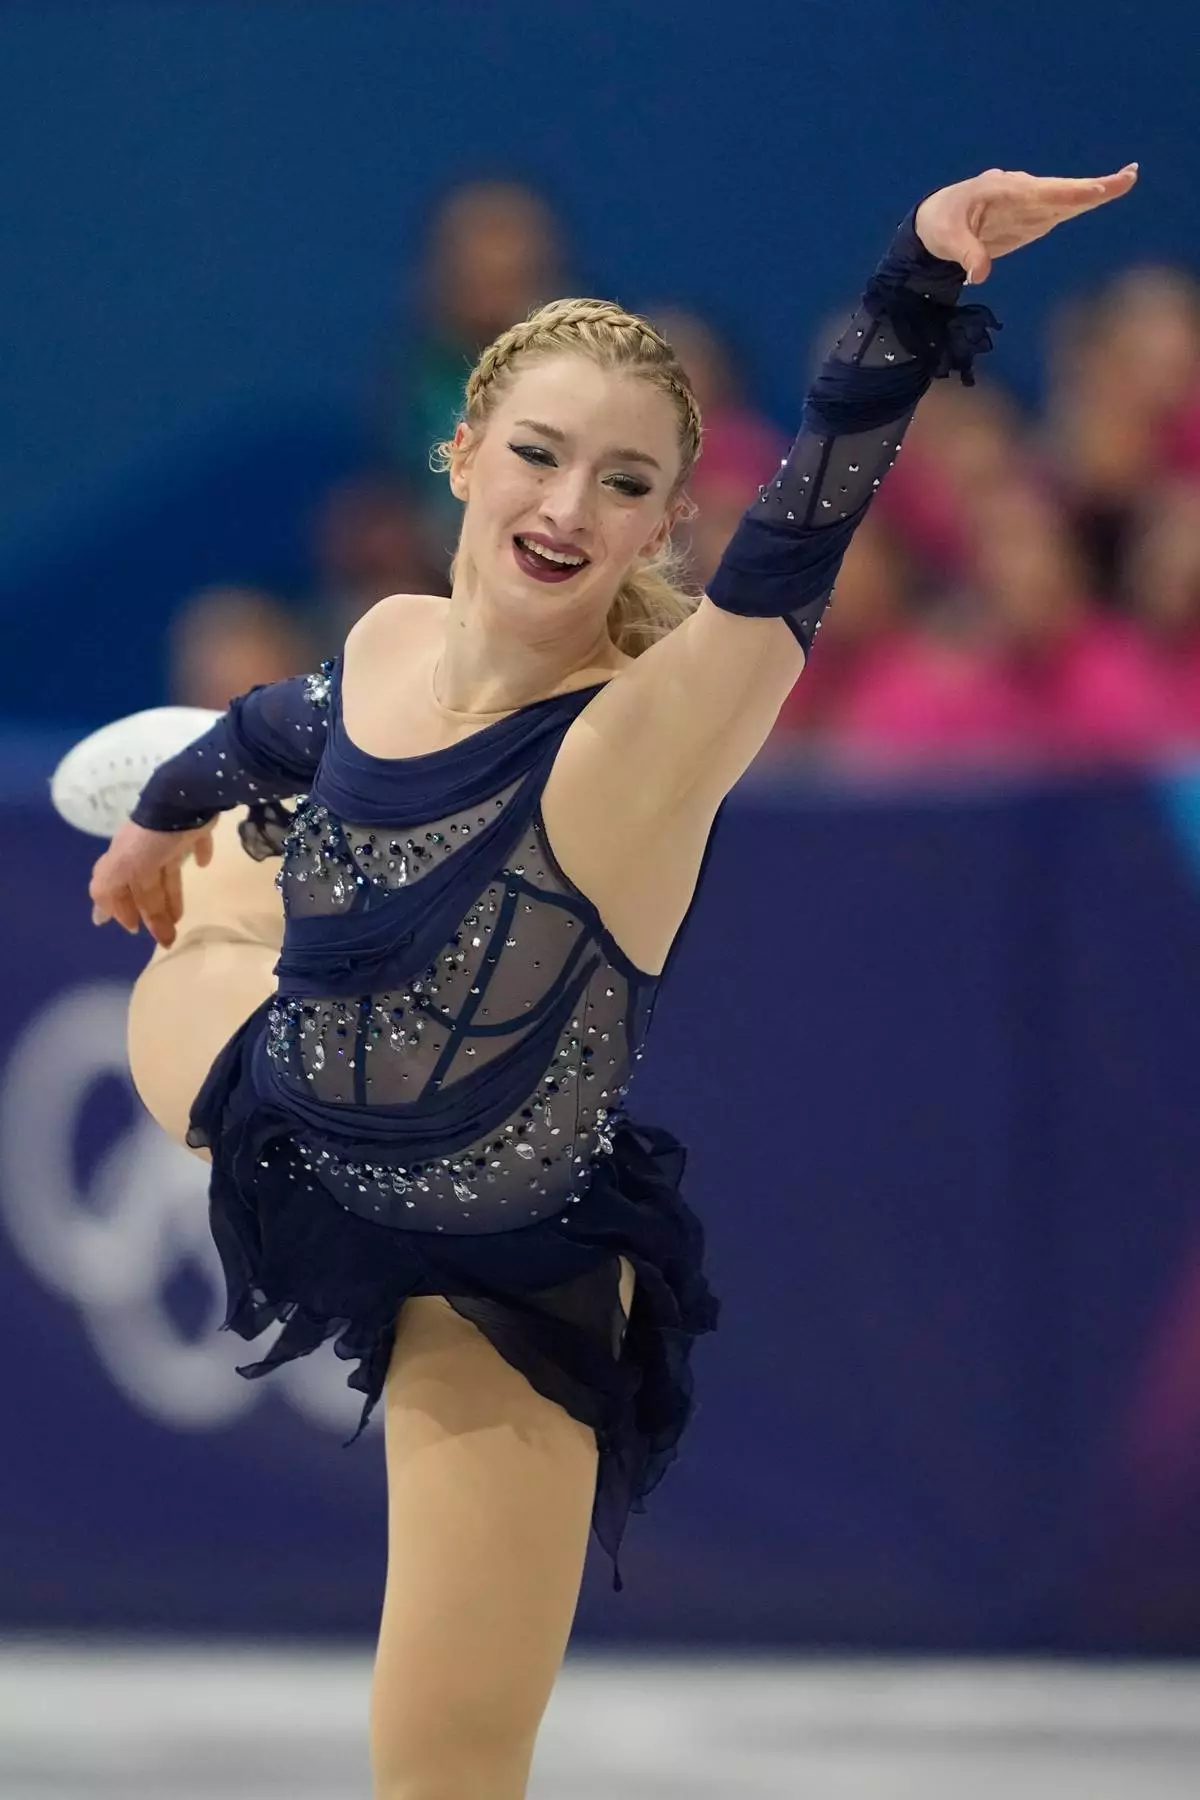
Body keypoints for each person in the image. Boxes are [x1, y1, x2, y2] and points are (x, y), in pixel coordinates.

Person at [68, 166, 1136, 1799]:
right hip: (283, 1094)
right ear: (463, 455)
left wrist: (920, 280)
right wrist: (161, 811)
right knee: (214, 905)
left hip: (501, 1264)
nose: (571, 503)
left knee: (442, 1767)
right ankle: (234, 863)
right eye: (541, 455)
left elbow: (816, 509)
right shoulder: (396, 639)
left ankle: (250, 867)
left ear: (663, 523)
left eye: (626, 480)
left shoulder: (654, 735)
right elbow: (292, 718)